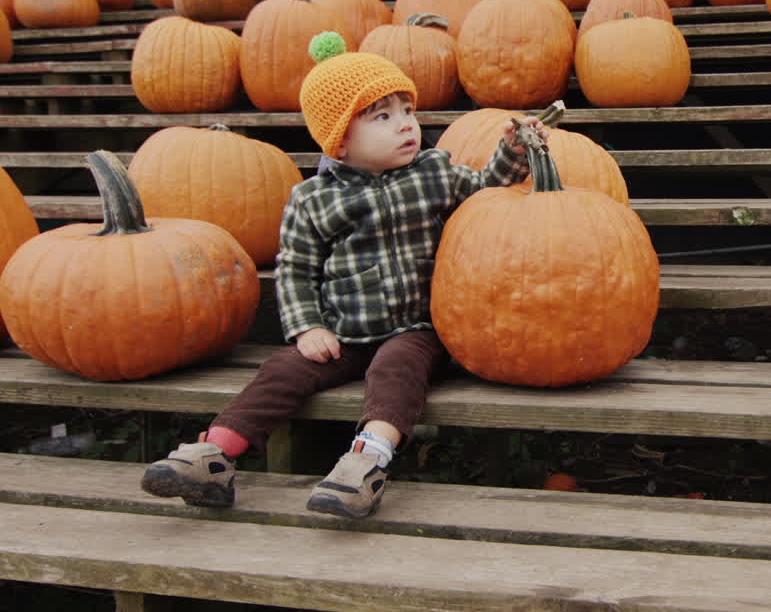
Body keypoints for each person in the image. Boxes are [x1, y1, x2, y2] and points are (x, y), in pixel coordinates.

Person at [141, 31, 547, 519]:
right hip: (344, 332)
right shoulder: (313, 199)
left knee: (396, 369)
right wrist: (308, 327)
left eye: (407, 111)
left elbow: (487, 190)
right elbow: (295, 267)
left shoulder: (433, 171)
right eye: (383, 117)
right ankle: (215, 452)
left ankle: (366, 463)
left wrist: (512, 152)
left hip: (417, 329)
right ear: (340, 137)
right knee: (282, 370)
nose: (406, 127)